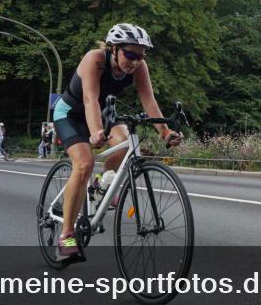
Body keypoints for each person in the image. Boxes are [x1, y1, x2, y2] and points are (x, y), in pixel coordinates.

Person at [52, 23, 183, 262]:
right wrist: (95, 133)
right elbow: (90, 99)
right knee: (84, 164)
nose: (135, 61)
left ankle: (102, 185)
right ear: (115, 48)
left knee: (125, 143)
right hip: (71, 112)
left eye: (141, 56)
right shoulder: (95, 59)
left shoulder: (139, 67)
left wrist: (165, 132)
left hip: (102, 113)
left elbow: (149, 100)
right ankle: (67, 235)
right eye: (130, 54)